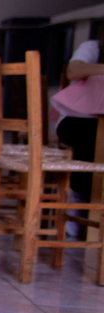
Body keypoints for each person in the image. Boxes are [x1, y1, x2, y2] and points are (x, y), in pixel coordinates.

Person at [54, 25, 104, 234]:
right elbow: (73, 71)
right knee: (90, 140)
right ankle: (80, 204)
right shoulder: (93, 47)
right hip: (78, 120)